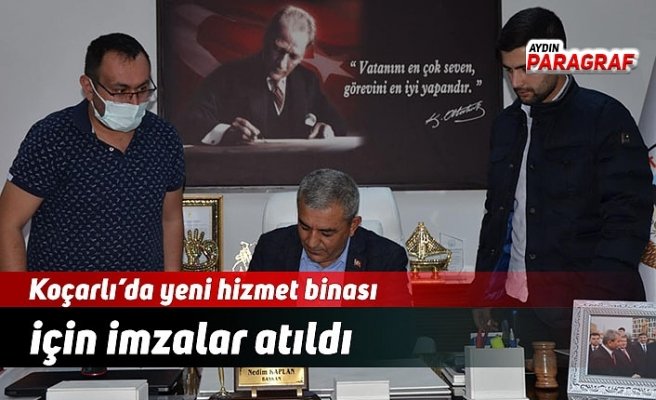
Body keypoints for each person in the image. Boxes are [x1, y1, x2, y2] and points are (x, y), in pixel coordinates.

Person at [474, 7, 651, 350]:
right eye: (509, 70)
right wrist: (483, 289)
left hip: (592, 309)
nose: (516, 82)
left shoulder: (604, 118)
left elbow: (627, 221)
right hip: (519, 307)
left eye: (526, 68)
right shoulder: (505, 126)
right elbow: (496, 214)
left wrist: (596, 308)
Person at [0, 33, 185, 271]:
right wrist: (18, 293)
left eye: (142, 89)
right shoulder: (53, 137)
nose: (134, 102)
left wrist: (171, 289)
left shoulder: (164, 138)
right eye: (120, 91)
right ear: (89, 88)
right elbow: (8, 223)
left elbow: (171, 219)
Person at [179, 5, 347, 145]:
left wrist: (327, 128)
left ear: (304, 53)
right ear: (266, 39)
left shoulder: (307, 81)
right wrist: (226, 132)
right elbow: (190, 121)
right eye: (278, 49)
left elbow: (338, 124)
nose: (282, 64)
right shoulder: (227, 76)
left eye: (293, 56)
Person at [248, 168, 407, 271]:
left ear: (352, 226)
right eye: (304, 227)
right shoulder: (270, 249)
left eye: (326, 233)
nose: (312, 242)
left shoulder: (386, 261)